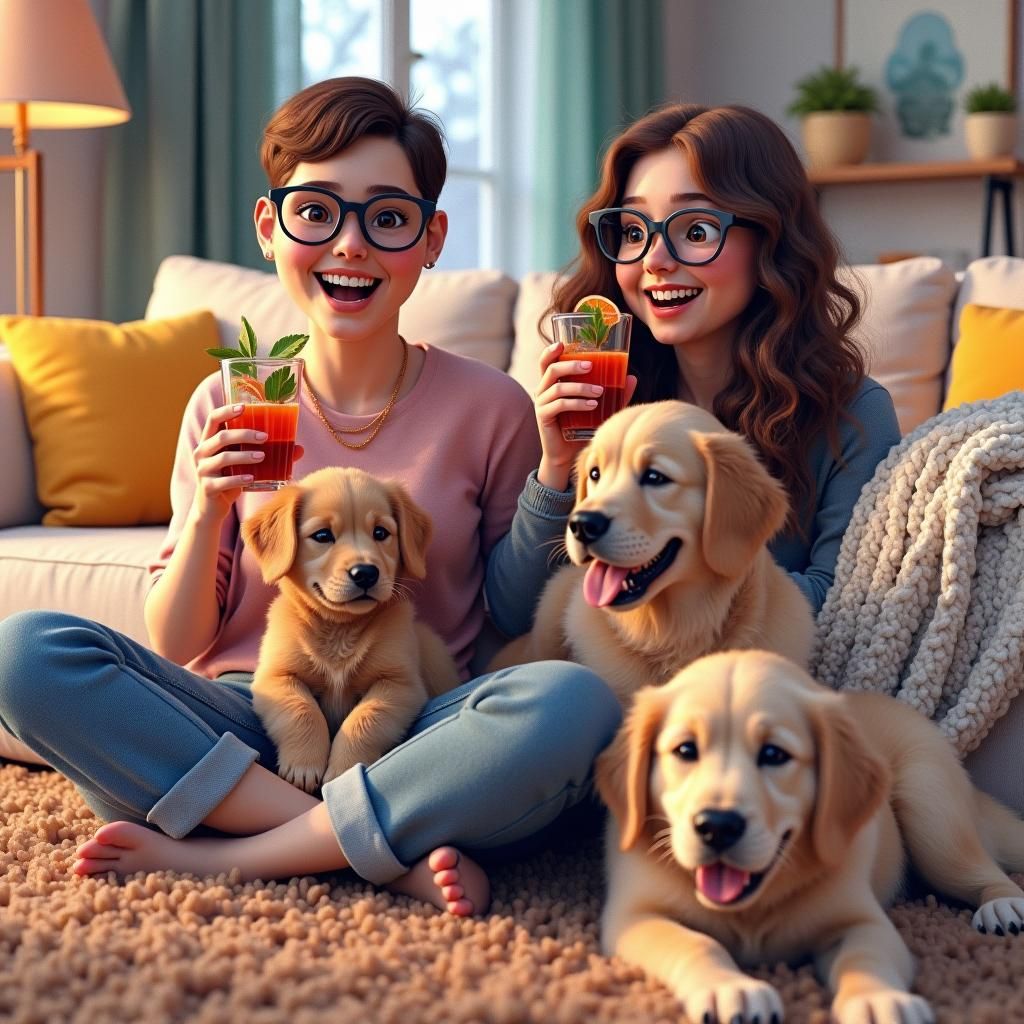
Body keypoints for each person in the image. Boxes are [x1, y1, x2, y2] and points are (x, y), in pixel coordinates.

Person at [0, 77, 621, 916]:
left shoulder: (491, 405)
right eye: (317, 212)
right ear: (270, 227)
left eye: (387, 218)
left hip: (415, 729)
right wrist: (210, 507)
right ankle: (368, 843)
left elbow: (511, 615)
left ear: (430, 239)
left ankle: (235, 845)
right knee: (24, 653)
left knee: (573, 702)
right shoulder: (228, 403)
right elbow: (178, 640)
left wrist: (556, 466)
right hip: (248, 717)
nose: (350, 245)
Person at [525, 102, 902, 623]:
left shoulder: (854, 414)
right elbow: (512, 614)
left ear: (772, 242)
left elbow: (847, 608)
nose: (654, 260)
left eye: (696, 230)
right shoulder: (605, 399)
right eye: (633, 231)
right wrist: (556, 469)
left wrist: (680, 571)